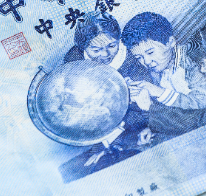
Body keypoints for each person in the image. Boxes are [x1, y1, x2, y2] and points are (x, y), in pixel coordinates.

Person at [57, 12, 150, 182]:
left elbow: (144, 111)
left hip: (130, 126)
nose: (105, 54)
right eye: (95, 49)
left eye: (112, 45)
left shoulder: (133, 61)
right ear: (84, 48)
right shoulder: (74, 59)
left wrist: (128, 97)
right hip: (94, 125)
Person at [122, 12, 206, 110]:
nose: (147, 61)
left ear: (170, 42)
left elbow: (203, 103)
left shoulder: (193, 60)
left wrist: (159, 92)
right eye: (139, 57)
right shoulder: (156, 68)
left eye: (150, 52)